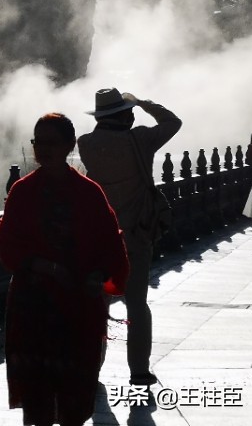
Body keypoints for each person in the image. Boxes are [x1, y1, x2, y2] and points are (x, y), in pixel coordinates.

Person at [0, 113, 129, 426]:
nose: (42, 149)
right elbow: (7, 242)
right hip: (33, 309)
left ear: (69, 144)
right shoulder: (23, 191)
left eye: (51, 142)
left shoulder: (88, 193)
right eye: (37, 142)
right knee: (38, 399)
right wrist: (46, 266)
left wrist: (98, 275)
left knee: (75, 397)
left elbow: (110, 243)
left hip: (77, 307)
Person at [77, 88, 181, 387]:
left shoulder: (86, 144)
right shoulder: (140, 140)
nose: (132, 115)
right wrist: (144, 102)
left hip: (101, 237)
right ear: (122, 115)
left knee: (99, 304)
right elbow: (173, 122)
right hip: (136, 235)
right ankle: (139, 370)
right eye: (129, 111)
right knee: (137, 305)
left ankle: (93, 367)